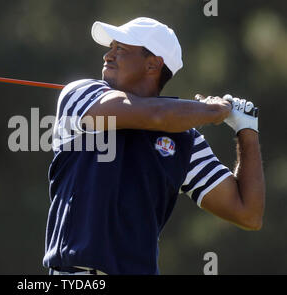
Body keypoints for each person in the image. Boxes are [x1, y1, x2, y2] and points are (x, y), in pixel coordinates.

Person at [43, 17, 265, 275]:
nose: (107, 55)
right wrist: (212, 110)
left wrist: (246, 130)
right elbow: (152, 114)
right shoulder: (80, 94)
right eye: (110, 47)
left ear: (153, 64)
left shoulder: (186, 141)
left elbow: (248, 213)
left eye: (120, 49)